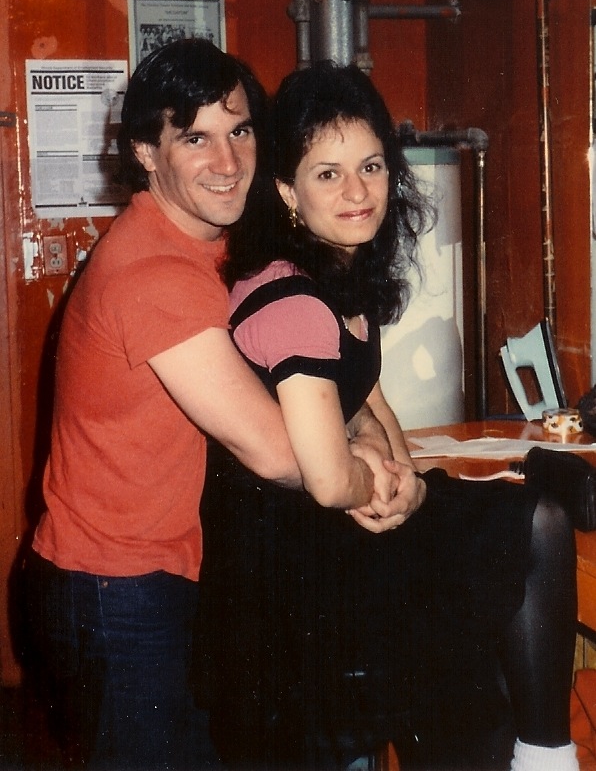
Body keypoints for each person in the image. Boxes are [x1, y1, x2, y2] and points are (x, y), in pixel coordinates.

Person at [23, 39, 409, 771]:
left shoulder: (208, 246)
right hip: (115, 586)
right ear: (146, 151)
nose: (228, 161)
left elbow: (331, 369)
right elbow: (280, 453)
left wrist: (365, 435)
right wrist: (378, 477)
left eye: (240, 130)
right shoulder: (155, 275)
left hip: (157, 571)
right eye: (195, 138)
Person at [199, 61, 580, 771]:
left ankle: (538, 751)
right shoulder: (293, 301)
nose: (358, 192)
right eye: (328, 174)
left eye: (371, 166)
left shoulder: (336, 275)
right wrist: (407, 495)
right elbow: (325, 479)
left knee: (524, 534)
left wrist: (403, 475)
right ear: (286, 191)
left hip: (326, 543)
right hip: (289, 577)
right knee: (531, 531)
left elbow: (368, 398)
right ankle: (543, 755)